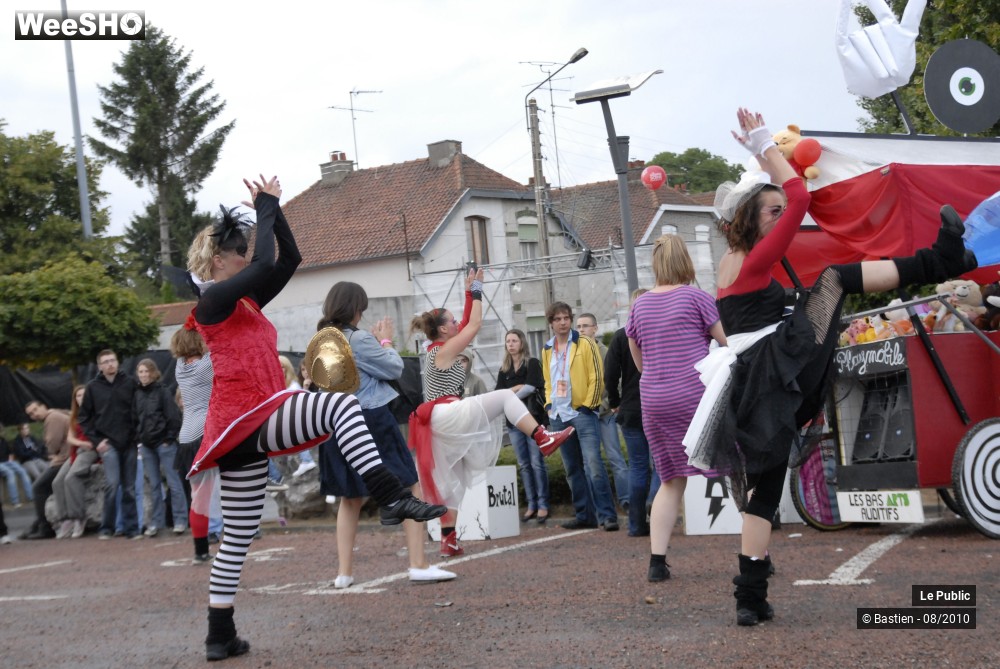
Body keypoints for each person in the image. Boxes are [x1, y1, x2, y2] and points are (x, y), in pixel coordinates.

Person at [685, 108, 978, 626]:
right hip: (771, 370)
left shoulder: (736, 262)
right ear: (751, 222)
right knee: (835, 279)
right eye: (769, 214)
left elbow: (781, 198)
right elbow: (799, 196)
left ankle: (750, 598)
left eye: (777, 212)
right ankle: (943, 262)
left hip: (759, 378)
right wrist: (763, 145)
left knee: (764, 491)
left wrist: (760, 154)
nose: (781, 217)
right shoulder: (753, 262)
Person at [186, 174, 445, 661]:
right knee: (342, 403)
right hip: (249, 412)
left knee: (238, 536)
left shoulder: (243, 301)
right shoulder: (213, 301)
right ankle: (390, 496)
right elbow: (265, 260)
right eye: (237, 250)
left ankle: (218, 634)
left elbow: (289, 259)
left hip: (245, 422)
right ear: (219, 259)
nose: (246, 256)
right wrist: (264, 203)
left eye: (245, 248)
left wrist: (275, 210)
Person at [409, 268, 574, 557]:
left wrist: (467, 291)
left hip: (437, 421)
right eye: (451, 321)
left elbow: (465, 322)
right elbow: (473, 325)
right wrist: (476, 292)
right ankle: (542, 436)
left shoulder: (438, 346)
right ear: (444, 330)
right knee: (503, 397)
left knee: (452, 481)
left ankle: (448, 539)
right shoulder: (444, 349)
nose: (456, 322)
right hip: (445, 412)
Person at [317, 281, 456, 587]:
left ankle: (344, 573)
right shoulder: (359, 339)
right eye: (361, 309)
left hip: (336, 421)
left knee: (349, 497)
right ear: (354, 308)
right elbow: (394, 369)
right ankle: (418, 563)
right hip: (371, 418)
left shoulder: (324, 339)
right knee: (409, 486)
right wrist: (386, 341)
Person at [626, 237, 727, 580]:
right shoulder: (698, 298)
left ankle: (657, 562)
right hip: (694, 395)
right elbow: (725, 346)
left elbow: (638, 357)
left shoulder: (638, 306)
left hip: (654, 398)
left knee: (670, 481)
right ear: (685, 261)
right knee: (735, 467)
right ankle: (760, 554)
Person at [541, 302, 619, 532]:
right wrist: (548, 404)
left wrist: (589, 406)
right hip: (558, 414)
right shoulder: (547, 348)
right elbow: (548, 381)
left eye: (566, 318)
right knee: (572, 468)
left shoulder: (585, 343)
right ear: (551, 323)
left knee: (593, 465)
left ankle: (607, 515)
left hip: (582, 413)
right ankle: (584, 514)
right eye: (558, 319)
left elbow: (598, 375)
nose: (563, 322)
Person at [605, 289, 661, 538]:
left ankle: (637, 525)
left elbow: (610, 375)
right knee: (662, 464)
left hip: (630, 408)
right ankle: (654, 500)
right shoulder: (661, 332)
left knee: (638, 466)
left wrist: (616, 401)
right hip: (659, 404)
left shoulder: (619, 337)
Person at [172, 319, 223, 563]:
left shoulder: (179, 368)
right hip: (205, 434)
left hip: (185, 437)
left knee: (198, 498)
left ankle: (200, 550)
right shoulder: (205, 366)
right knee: (214, 494)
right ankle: (208, 547)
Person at [78, 348, 139, 540]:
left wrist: (137, 436)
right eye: (105, 362)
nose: (110, 364)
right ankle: (107, 527)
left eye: (112, 360)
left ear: (118, 362)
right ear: (99, 366)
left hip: (129, 442)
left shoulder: (130, 383)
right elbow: (84, 418)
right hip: (108, 443)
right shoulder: (93, 388)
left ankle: (131, 528)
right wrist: (97, 441)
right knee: (112, 485)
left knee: (129, 488)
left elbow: (138, 410)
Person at [495, 329, 550, 523]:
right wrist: (515, 389)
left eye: (514, 340)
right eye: (508, 341)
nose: (510, 344)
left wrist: (510, 395)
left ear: (522, 343)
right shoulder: (504, 369)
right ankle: (531, 504)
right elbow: (498, 395)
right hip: (513, 423)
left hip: (533, 420)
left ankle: (543, 504)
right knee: (524, 464)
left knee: (537, 463)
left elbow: (531, 387)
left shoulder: (532, 363)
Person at [576, 313, 630, 512]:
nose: (581, 330)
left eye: (585, 326)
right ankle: (599, 506)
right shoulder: (574, 352)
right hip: (583, 415)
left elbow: (615, 380)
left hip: (605, 413)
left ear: (595, 329)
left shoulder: (604, 351)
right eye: (579, 326)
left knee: (615, 457)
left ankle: (627, 501)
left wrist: (606, 405)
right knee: (589, 462)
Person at [133, 358, 185, 538]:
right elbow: (135, 418)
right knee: (154, 486)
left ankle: (180, 520)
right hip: (146, 446)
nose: (144, 375)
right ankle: (157, 522)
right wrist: (139, 438)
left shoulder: (162, 392)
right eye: (141, 372)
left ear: (154, 373)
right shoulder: (137, 394)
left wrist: (168, 439)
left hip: (164, 444)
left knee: (174, 483)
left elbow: (174, 417)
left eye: (147, 371)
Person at [51, 385, 99, 539]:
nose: (81, 398)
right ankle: (65, 519)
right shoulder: (75, 416)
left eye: (84, 395)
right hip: (77, 449)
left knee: (72, 478)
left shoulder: (96, 412)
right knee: (57, 481)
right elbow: (69, 438)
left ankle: (78, 517)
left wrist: (86, 444)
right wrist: (79, 443)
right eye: (78, 396)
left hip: (91, 449)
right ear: (75, 400)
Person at [22, 400, 72, 539]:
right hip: (65, 457)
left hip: (65, 459)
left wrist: (52, 454)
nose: (34, 415)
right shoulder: (56, 414)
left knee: (38, 488)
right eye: (31, 414)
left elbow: (52, 445)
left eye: (35, 410)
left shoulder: (52, 418)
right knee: (45, 488)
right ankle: (37, 525)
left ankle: (45, 528)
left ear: (43, 406)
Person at [278, 355, 319, 478]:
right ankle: (305, 460)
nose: (305, 373)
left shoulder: (293, 385)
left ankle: (306, 460)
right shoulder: (286, 384)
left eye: (282, 367)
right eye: (303, 370)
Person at [0, 428, 33, 508]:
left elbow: (10, 452)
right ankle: (15, 501)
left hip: (7, 461)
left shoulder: (3, 440)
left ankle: (31, 497)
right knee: (10, 473)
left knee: (22, 471)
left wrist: (11, 459)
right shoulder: (18, 440)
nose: (2, 432)